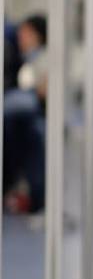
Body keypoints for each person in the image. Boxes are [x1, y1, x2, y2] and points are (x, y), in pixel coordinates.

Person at [3, 14, 48, 213]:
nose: (21, 36)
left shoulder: (41, 59)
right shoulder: (21, 58)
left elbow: (42, 92)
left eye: (26, 33)